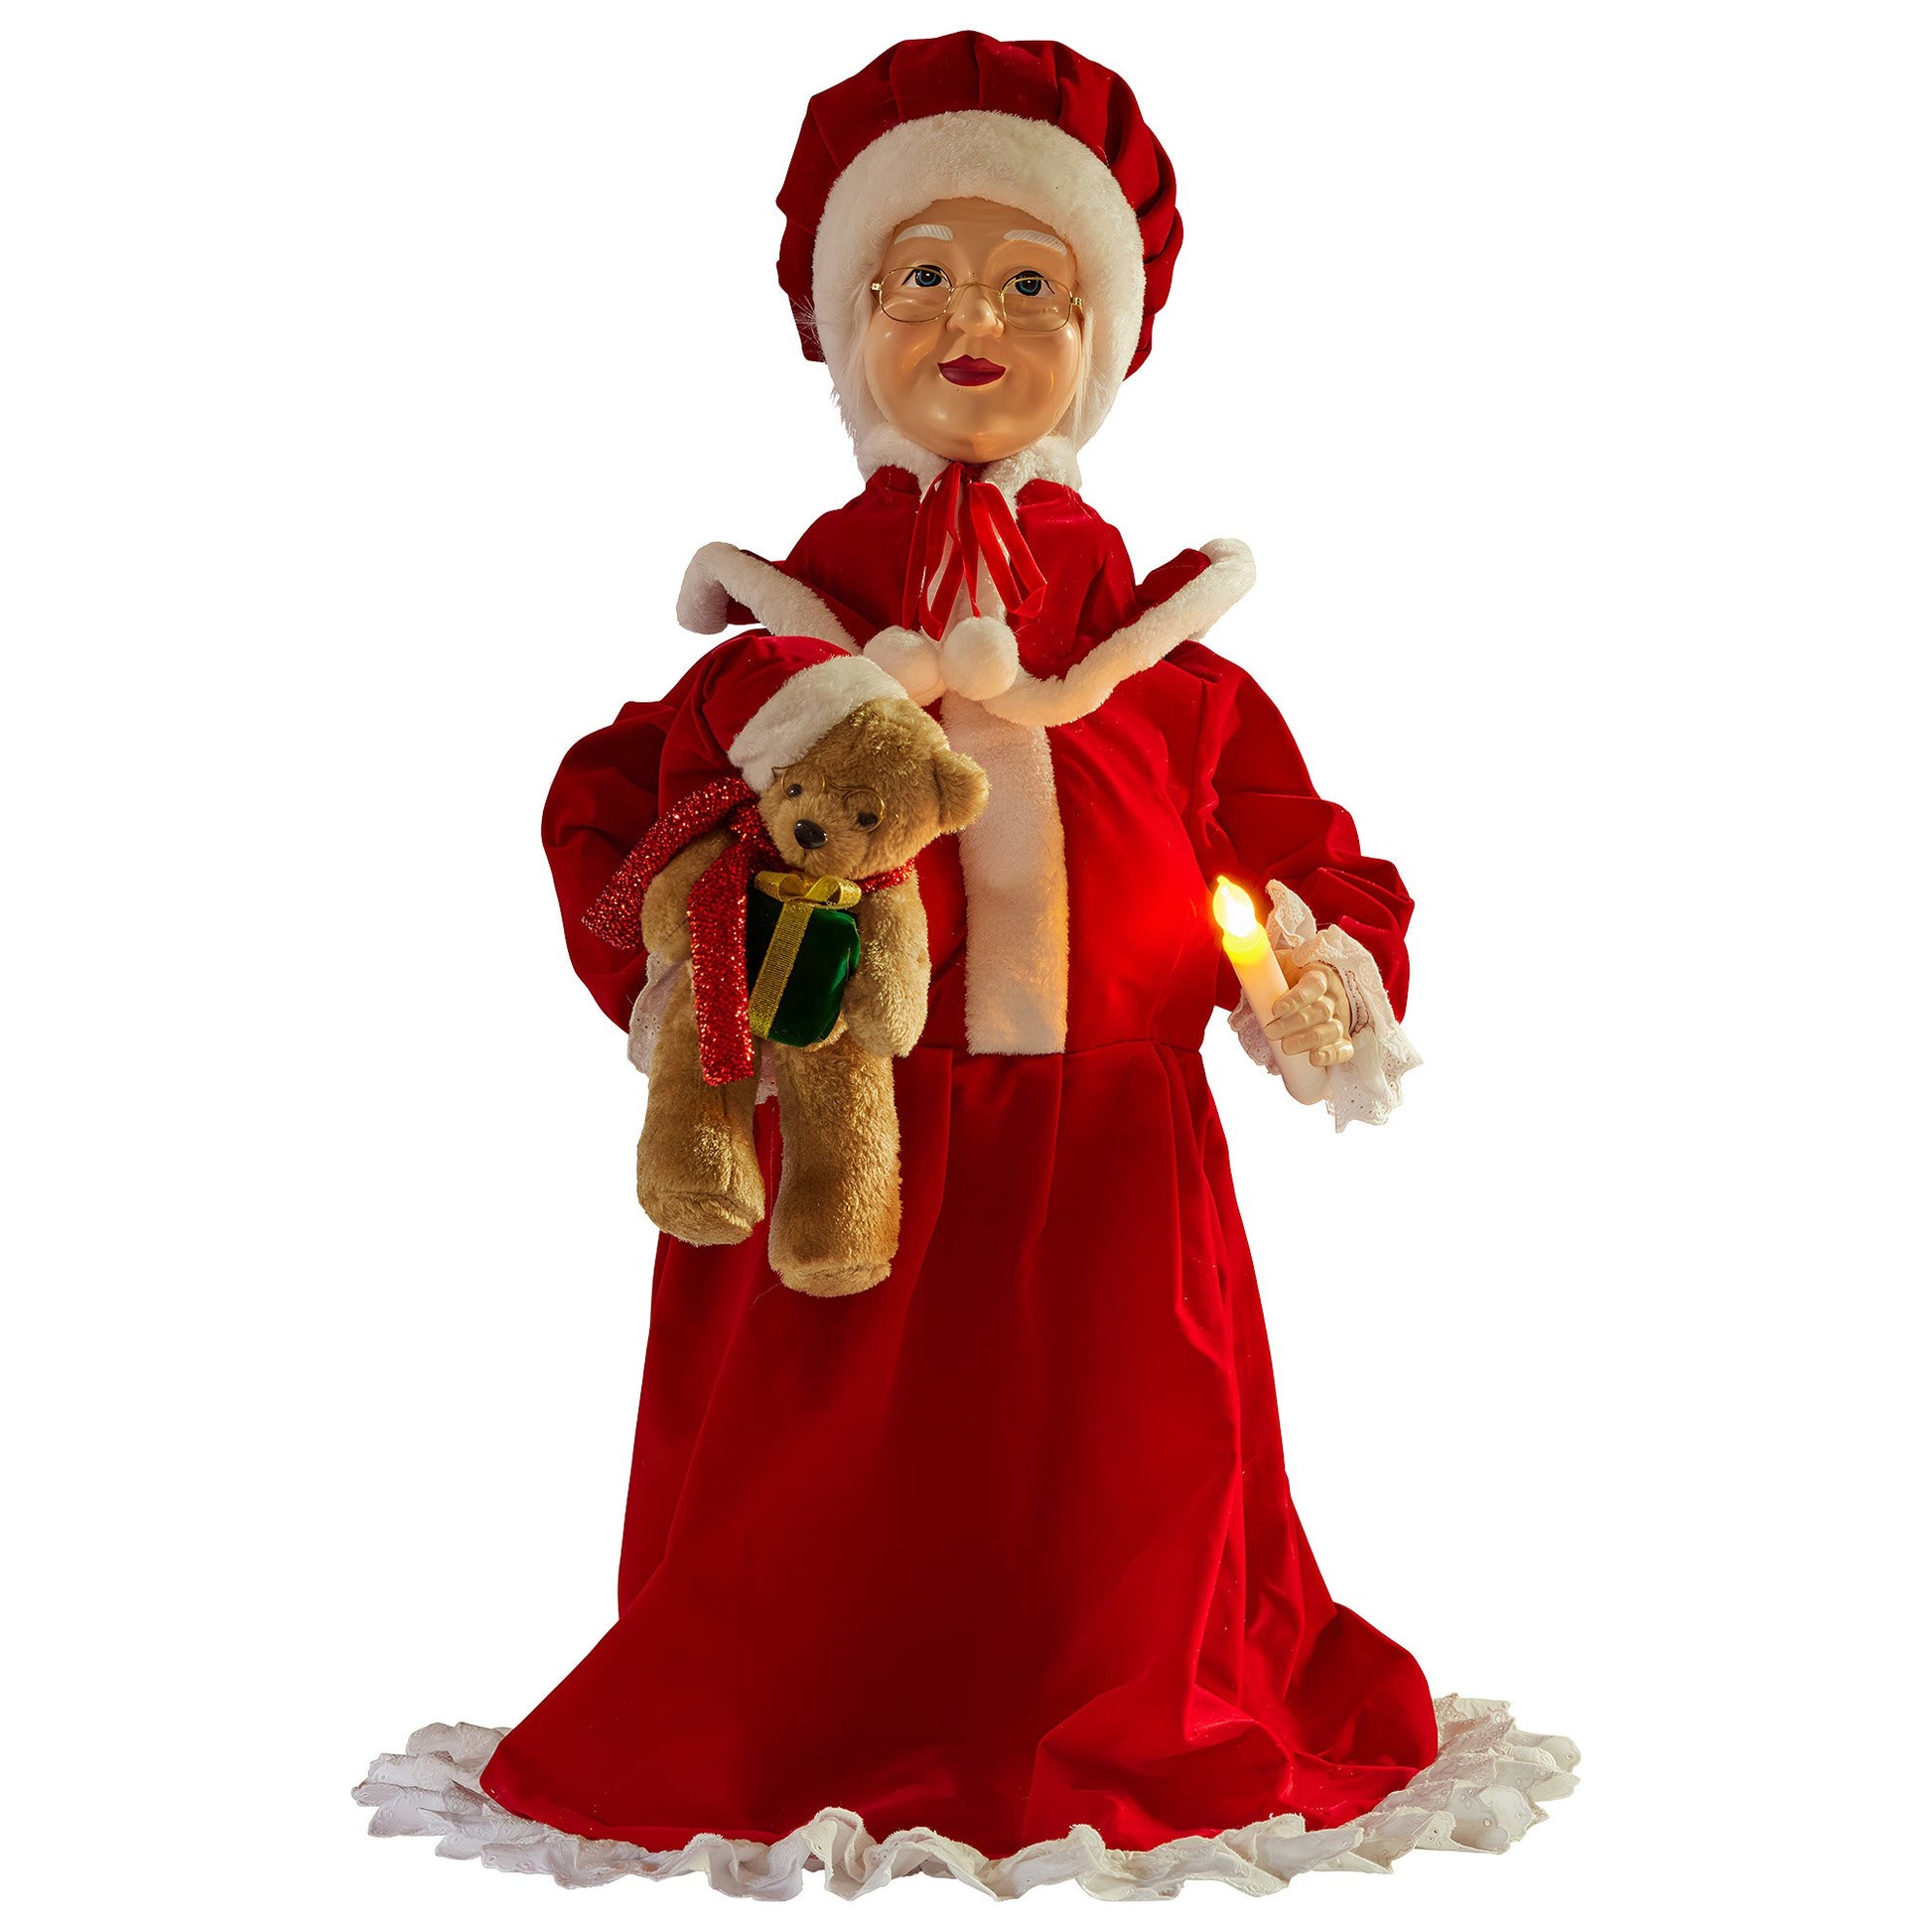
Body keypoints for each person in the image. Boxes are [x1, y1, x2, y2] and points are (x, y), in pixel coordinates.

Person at [355, 31, 1576, 1901]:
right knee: (818, 1499)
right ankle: (802, 1710)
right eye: (917, 275)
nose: (972, 318)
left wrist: (1311, 958)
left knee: (1122, 1488)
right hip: (850, 1149)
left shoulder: (1165, 661)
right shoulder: (779, 646)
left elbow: (1293, 845)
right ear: (847, 330)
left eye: (1029, 284)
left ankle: (1116, 1703)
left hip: (1111, 1166)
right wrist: (710, 938)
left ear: (1105, 340)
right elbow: (623, 813)